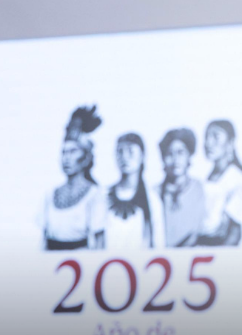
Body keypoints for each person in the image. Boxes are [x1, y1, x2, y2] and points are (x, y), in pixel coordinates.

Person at [41, 106, 106, 250]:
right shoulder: (51, 194)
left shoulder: (94, 194)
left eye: (72, 152)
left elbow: (100, 244)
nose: (67, 159)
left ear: (85, 157)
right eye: (64, 153)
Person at [196, 119, 242, 246]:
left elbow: (235, 233)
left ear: (230, 143)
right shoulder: (211, 176)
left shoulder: (236, 180)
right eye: (207, 137)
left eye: (216, 137)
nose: (208, 143)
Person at [100, 132, 162, 249]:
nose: (124, 157)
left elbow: (158, 244)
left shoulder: (152, 199)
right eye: (120, 151)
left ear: (142, 156)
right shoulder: (103, 195)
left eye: (130, 152)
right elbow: (96, 243)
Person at [157, 128, 205, 247]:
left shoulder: (201, 189)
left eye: (180, 153)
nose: (175, 159)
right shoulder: (154, 193)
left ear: (189, 156)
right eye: (169, 154)